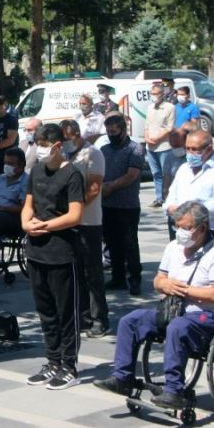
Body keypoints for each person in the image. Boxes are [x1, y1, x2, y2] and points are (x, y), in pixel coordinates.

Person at [94, 201, 214, 410]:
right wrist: (165, 284)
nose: (180, 232)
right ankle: (122, 378)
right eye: (177, 226)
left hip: (207, 317)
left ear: (201, 228)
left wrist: (184, 290)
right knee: (131, 320)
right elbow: (159, 280)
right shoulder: (174, 247)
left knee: (178, 327)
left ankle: (174, 391)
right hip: (173, 310)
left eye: (185, 227)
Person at [21, 123, 84, 390]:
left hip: (62, 250)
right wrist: (27, 224)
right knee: (45, 310)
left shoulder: (72, 174)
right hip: (36, 251)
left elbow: (74, 215)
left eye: (44, 146)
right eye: (37, 145)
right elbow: (28, 204)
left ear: (58, 146)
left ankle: (69, 365)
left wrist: (44, 226)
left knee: (65, 312)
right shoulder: (35, 170)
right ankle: (52, 361)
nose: (40, 150)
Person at [61, 119, 109, 338]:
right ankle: (82, 316)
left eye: (68, 138)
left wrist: (75, 208)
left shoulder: (93, 154)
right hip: (66, 221)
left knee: (92, 272)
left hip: (88, 220)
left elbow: (94, 188)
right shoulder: (61, 154)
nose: (65, 143)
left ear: (78, 134)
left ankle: (100, 318)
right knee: (74, 272)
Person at [101, 113, 145, 295]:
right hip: (108, 204)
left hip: (127, 205)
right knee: (112, 243)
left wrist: (111, 186)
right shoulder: (104, 150)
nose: (111, 135)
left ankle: (134, 279)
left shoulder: (135, 149)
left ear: (123, 130)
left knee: (129, 244)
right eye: (108, 132)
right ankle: (118, 278)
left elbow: (132, 175)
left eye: (114, 131)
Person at [164, 130, 214, 241]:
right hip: (182, 230)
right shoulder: (184, 169)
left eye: (194, 149)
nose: (189, 153)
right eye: (187, 148)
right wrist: (170, 207)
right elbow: (172, 194)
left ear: (209, 149)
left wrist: (191, 214)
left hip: (211, 232)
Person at [145, 82, 176, 208]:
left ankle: (167, 197)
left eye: (156, 94)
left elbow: (170, 128)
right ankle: (159, 198)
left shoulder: (169, 107)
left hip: (164, 146)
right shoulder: (150, 107)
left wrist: (157, 138)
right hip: (150, 146)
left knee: (166, 173)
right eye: (152, 94)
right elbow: (146, 125)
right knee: (156, 173)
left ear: (162, 94)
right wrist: (147, 138)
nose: (154, 96)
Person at [166, 85, 201, 188]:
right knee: (171, 170)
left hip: (185, 142)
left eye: (182, 94)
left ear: (188, 95)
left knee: (185, 168)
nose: (180, 96)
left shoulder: (193, 107)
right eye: (178, 94)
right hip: (174, 141)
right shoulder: (174, 107)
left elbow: (194, 125)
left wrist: (183, 130)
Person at [0, 148, 28, 238]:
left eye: (10, 164)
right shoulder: (1, 178)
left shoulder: (27, 181)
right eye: (5, 163)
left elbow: (25, 208)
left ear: (21, 165)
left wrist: (4, 208)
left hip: (13, 217)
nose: (6, 166)